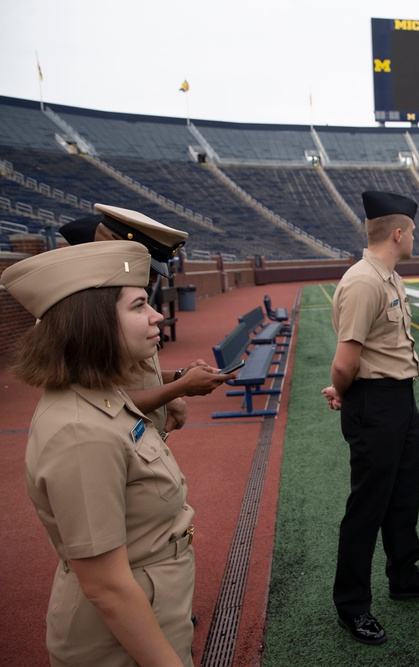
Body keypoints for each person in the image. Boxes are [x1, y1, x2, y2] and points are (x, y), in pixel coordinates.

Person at [1, 241, 197, 666]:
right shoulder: (78, 431)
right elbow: (107, 588)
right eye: (139, 305)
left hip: (153, 603)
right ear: (92, 323)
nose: (156, 315)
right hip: (118, 639)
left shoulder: (100, 397)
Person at [321, 191, 419, 646]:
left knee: (403, 498)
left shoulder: (388, 276)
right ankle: (352, 605)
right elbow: (346, 361)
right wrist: (340, 391)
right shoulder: (364, 281)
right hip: (375, 403)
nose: (415, 237)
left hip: (398, 399)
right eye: (413, 231)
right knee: (368, 506)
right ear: (397, 234)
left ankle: (404, 576)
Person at [59, 204, 233, 438]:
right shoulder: (83, 315)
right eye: (145, 267)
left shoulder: (115, 304)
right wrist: (178, 389)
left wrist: (179, 377)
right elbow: (103, 403)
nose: (150, 279)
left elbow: (130, 377)